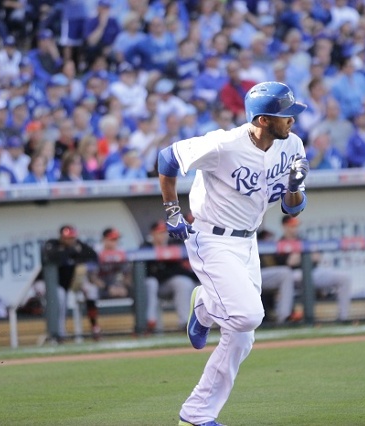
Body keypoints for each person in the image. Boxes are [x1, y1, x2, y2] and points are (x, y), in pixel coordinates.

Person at [157, 81, 309, 426]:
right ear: (264, 119)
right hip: (211, 238)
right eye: (286, 116)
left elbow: (292, 208)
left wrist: (296, 188)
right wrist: (172, 211)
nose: (293, 121)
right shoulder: (224, 144)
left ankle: (197, 414)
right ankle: (207, 306)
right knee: (248, 316)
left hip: (247, 242)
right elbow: (167, 159)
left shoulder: (293, 145)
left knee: (243, 337)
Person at [275, 215, 353, 322]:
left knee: (344, 278)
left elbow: (317, 257)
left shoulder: (303, 240)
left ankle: (343, 317)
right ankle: (284, 318)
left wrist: (299, 255)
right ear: (284, 226)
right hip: (293, 275)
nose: (295, 229)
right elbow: (289, 262)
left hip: (314, 272)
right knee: (292, 276)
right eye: (291, 226)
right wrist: (304, 255)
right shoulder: (280, 242)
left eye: (296, 226)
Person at [42, 225, 100, 342]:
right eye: (67, 238)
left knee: (91, 290)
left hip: (72, 282)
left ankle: (95, 327)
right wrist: (71, 251)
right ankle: (58, 333)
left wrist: (73, 252)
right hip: (53, 283)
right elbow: (53, 257)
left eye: (72, 238)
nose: (70, 240)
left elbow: (93, 255)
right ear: (61, 237)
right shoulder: (52, 244)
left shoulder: (78, 244)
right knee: (61, 298)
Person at [142, 220, 197, 332]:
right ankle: (149, 323)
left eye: (164, 232)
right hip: (150, 288)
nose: (163, 236)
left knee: (183, 282)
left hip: (166, 285)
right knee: (151, 283)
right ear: (152, 234)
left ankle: (185, 323)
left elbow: (179, 270)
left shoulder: (173, 245)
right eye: (159, 232)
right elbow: (145, 273)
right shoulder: (145, 247)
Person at [257, 229, 302, 324]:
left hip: (262, 277)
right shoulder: (252, 240)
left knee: (286, 274)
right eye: (266, 238)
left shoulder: (274, 248)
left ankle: (284, 316)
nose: (268, 240)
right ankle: (284, 316)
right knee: (285, 273)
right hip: (248, 274)